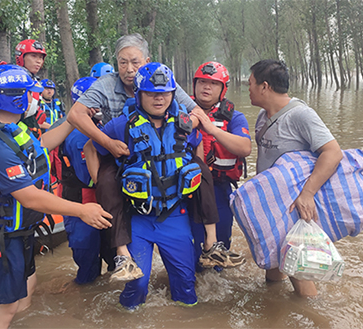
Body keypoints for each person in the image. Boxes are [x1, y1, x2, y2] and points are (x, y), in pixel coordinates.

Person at [0, 64, 112, 329]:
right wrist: (82, 210)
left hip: (17, 232)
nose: (36, 98)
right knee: (4, 308)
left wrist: (73, 119)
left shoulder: (6, 127)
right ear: (15, 97)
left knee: (27, 288)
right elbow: (29, 197)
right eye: (30, 94)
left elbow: (40, 147)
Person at [68, 33, 239, 281]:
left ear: (146, 61)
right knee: (107, 183)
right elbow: (76, 116)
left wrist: (179, 129)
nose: (129, 69)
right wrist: (109, 144)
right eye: (123, 62)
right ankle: (122, 255)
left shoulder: (160, 78)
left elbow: (196, 115)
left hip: (161, 146)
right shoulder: (106, 86)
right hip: (119, 147)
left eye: (135, 62)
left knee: (200, 170)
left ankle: (210, 244)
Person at [88, 62, 201, 308]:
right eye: (151, 93)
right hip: (138, 217)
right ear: (139, 94)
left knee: (186, 287)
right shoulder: (122, 126)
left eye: (164, 93)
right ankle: (127, 318)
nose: (159, 99)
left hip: (174, 214)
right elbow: (91, 148)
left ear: (173, 94)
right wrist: (101, 181)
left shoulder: (184, 125)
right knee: (137, 285)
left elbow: (198, 146)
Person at [248, 59, 343, 296]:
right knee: (273, 263)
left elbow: (333, 152)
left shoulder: (301, 115)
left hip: (293, 205)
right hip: (272, 205)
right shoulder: (263, 116)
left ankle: (312, 314)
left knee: (297, 268)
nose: (247, 88)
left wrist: (308, 193)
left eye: (250, 83)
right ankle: (276, 307)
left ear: (264, 86)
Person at [189, 61, 250, 271]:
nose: (206, 87)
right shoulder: (179, 111)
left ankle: (216, 288)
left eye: (213, 84)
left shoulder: (234, 117)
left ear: (222, 89)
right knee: (190, 246)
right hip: (185, 190)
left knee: (220, 243)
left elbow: (245, 148)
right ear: (194, 85)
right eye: (203, 82)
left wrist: (211, 129)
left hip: (218, 188)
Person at [58, 76, 116, 284]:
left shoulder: (97, 125)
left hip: (96, 203)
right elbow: (91, 176)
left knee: (114, 260)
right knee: (89, 270)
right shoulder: (79, 136)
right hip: (83, 203)